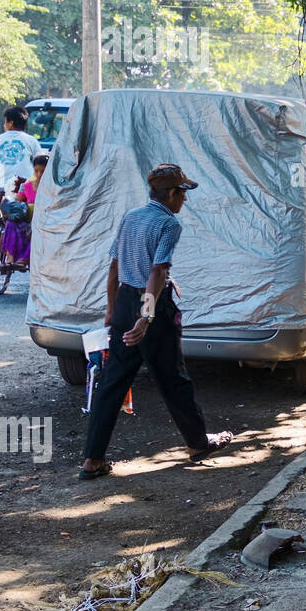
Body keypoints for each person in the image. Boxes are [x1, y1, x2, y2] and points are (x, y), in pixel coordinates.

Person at [79, 163, 232, 480]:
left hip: (123, 300)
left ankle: (92, 461)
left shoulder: (130, 217)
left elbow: (114, 267)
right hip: (152, 309)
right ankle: (198, 444)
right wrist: (145, 317)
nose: (184, 201)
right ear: (173, 193)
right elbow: (158, 272)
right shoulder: (168, 224)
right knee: (173, 379)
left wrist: (113, 311)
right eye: (183, 194)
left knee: (111, 383)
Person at [0, 152, 48, 266]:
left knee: (36, 228)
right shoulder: (27, 185)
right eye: (36, 171)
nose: (39, 174)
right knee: (10, 224)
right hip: (26, 219)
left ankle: (25, 259)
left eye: (43, 171)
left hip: (42, 221)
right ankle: (10, 258)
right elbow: (18, 200)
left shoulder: (52, 186)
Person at [0, 106, 40, 202]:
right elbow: (40, 163)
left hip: (1, 191)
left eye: (5, 121)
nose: (4, 124)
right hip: (26, 191)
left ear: (11, 123)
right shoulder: (31, 140)